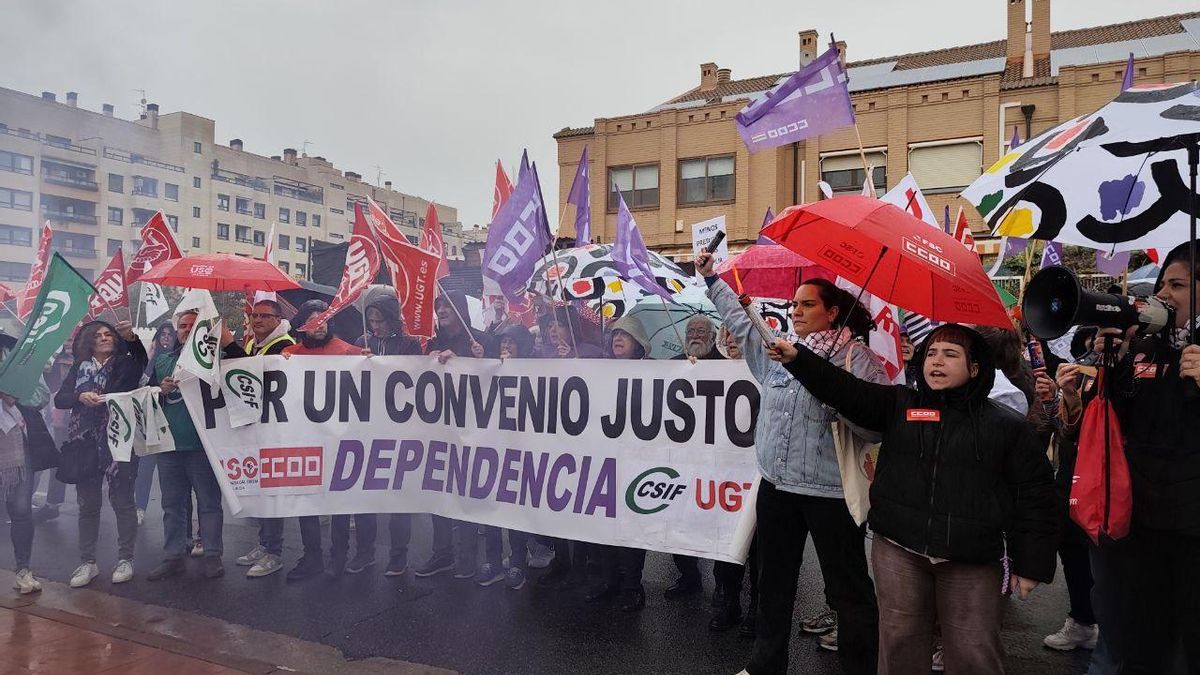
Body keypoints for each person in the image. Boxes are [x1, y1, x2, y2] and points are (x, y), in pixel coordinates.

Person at [766, 322, 1059, 675]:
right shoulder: (900, 404)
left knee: (973, 651)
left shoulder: (1006, 425)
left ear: (975, 368)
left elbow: (1035, 494)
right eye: (931, 353)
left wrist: (1031, 564)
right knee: (900, 644)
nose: (937, 361)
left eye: (950, 354)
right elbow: (846, 390)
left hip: (972, 560)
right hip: (899, 551)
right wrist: (798, 359)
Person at [697, 251, 884, 675]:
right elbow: (744, 324)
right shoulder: (779, 352)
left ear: (832, 312)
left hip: (831, 493)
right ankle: (766, 665)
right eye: (794, 304)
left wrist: (838, 400)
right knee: (773, 584)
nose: (796, 311)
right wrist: (712, 280)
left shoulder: (859, 361)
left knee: (848, 591)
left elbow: (875, 426)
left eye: (807, 304)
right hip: (777, 488)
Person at [1087, 241, 1200, 672]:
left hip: (1192, 530)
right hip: (1142, 522)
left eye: (1179, 285)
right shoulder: (1146, 348)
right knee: (1142, 639)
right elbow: (1116, 422)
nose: (1164, 294)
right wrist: (1112, 363)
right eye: (1163, 284)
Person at [146, 310, 245, 582]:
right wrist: (160, 390)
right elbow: (146, 396)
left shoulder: (216, 359)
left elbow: (244, 367)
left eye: (193, 325)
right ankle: (173, 556)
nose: (186, 330)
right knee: (172, 504)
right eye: (182, 326)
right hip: (170, 446)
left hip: (204, 446)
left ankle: (212, 555)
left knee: (209, 503)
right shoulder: (163, 361)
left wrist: (227, 341)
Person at [54, 320, 147, 588]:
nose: (104, 338)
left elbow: (139, 366)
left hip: (118, 441)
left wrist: (131, 339)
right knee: (88, 505)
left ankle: (126, 559)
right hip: (84, 444)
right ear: (89, 342)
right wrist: (80, 396)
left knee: (123, 502)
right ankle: (88, 562)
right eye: (98, 335)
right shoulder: (78, 367)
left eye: (109, 334)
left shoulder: (125, 363)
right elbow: (60, 399)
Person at [280, 300, 369, 580]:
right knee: (306, 501)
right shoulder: (289, 355)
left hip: (338, 442)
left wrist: (369, 361)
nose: (320, 325)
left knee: (338, 502)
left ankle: (338, 557)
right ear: (302, 326)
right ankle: (312, 557)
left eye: (324, 319)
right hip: (304, 441)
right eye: (313, 321)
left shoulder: (348, 351)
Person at [418, 291, 497, 580]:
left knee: (466, 494)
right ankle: (442, 554)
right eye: (438, 305)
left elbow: (496, 378)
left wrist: (474, 359)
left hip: (472, 430)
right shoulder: (433, 343)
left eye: (447, 306)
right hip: (439, 430)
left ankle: (467, 557)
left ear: (460, 309)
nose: (441, 310)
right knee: (438, 493)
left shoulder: (481, 341)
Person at [352, 295, 423, 577]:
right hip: (367, 429)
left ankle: (398, 555)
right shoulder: (362, 341)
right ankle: (364, 552)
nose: (375, 326)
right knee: (364, 495)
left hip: (398, 429)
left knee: (398, 496)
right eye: (371, 321)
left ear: (392, 319)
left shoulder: (409, 344)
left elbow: (416, 376)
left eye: (380, 320)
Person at [585, 315, 652, 613]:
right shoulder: (602, 370)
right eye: (614, 335)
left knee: (632, 527)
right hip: (604, 459)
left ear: (638, 342)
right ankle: (608, 580)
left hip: (636, 460)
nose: (618, 339)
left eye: (625, 335)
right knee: (604, 525)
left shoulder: (655, 372)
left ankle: (632, 586)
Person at [1034, 356, 1100, 653]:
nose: (1101, 339)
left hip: (1114, 473)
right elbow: (1064, 429)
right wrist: (1056, 398)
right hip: (1072, 473)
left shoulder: (1137, 363)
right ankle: (1083, 621)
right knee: (1071, 545)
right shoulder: (1082, 365)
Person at [234, 300, 297, 578]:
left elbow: (255, 374)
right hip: (256, 427)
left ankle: (274, 552)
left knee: (272, 491)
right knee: (259, 488)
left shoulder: (285, 345)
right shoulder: (253, 343)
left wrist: (230, 347)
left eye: (264, 316)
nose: (257, 319)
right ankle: (264, 542)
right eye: (254, 315)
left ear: (277, 319)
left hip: (276, 429)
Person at [667, 316, 722, 603]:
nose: (695, 335)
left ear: (712, 337)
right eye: (691, 331)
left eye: (702, 331)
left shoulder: (726, 365)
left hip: (716, 460)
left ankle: (724, 587)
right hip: (681, 459)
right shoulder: (673, 364)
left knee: (718, 523)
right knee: (679, 519)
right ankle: (688, 576)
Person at [478, 324, 537, 590]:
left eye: (512, 342)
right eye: (503, 341)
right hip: (493, 448)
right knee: (490, 507)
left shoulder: (535, 372)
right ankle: (492, 560)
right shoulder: (491, 368)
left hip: (519, 449)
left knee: (514, 510)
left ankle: (517, 561)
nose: (506, 346)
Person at [0, 335, 53, 595]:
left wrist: (16, 395)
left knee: (20, 508)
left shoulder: (19, 354)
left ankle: (23, 569)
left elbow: (42, 394)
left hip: (16, 443)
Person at [135, 323, 180, 528]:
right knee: (145, 468)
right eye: (163, 334)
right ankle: (140, 507)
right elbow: (140, 385)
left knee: (171, 473)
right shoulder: (150, 360)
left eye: (170, 334)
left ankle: (175, 515)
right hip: (152, 422)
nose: (166, 338)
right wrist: (150, 355)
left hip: (173, 422)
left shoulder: (178, 360)